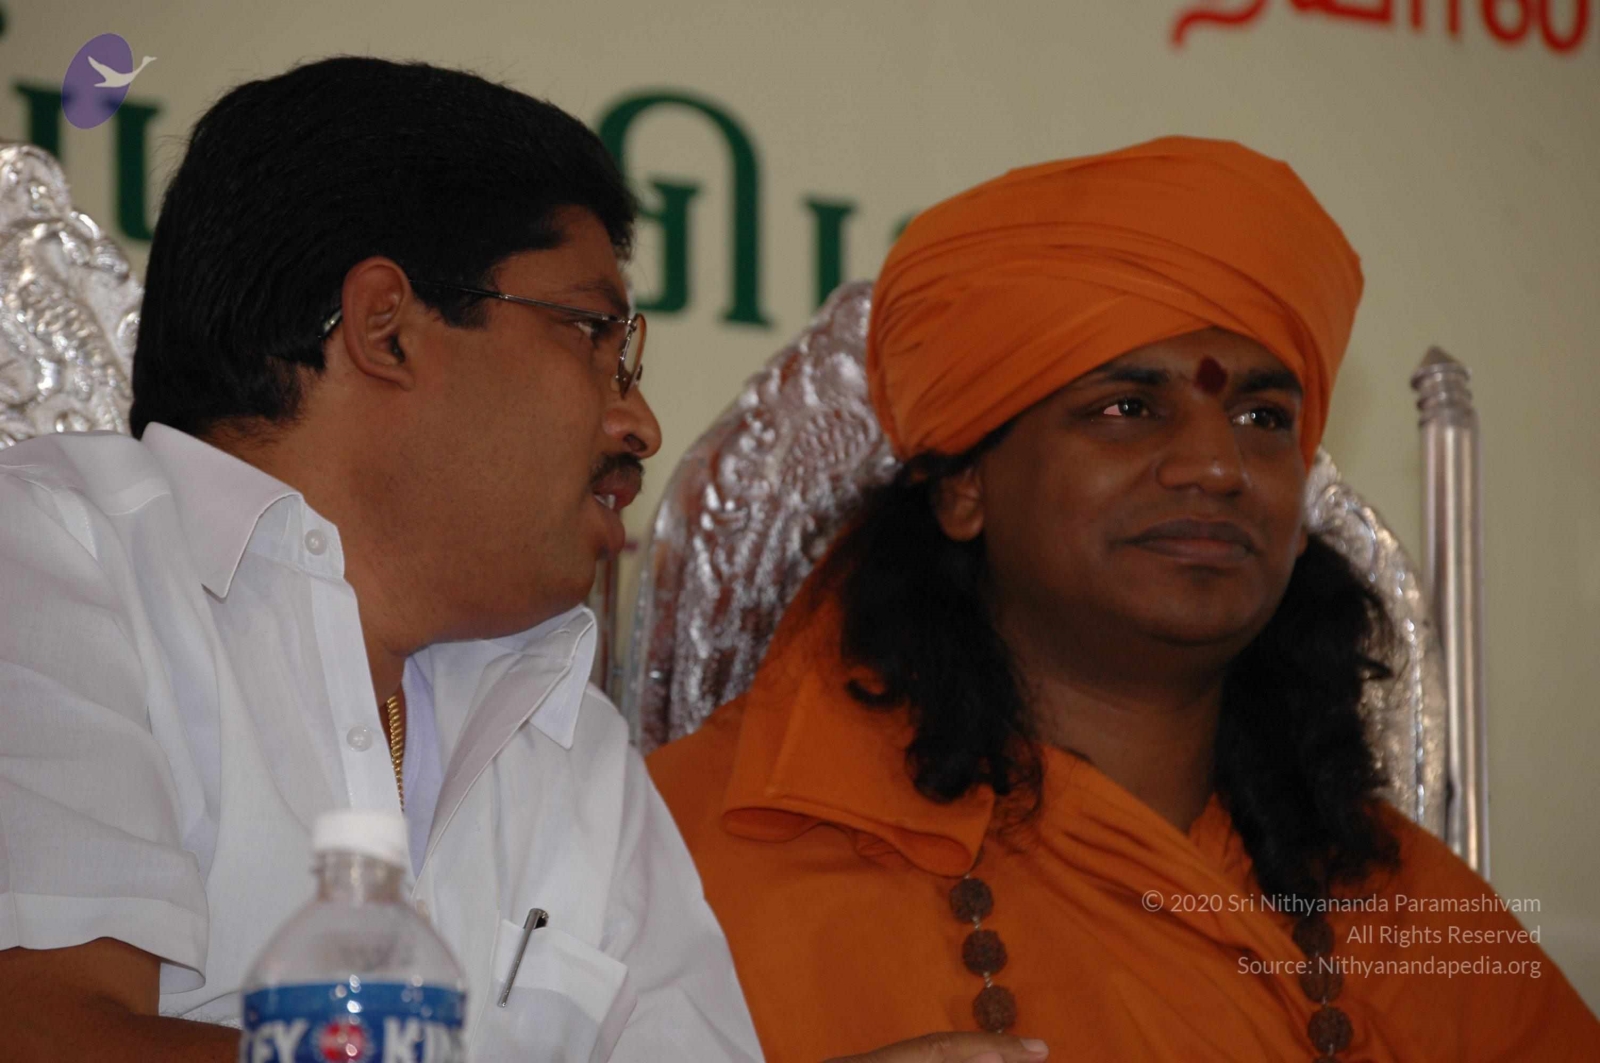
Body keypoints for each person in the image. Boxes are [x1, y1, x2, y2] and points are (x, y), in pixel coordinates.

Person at [0, 57, 1045, 1063]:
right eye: (591, 333)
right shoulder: (55, 561)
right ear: (385, 327)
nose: (638, 423)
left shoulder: (561, 727)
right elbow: (45, 1036)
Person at [650, 137, 1600, 1061]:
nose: (1218, 465)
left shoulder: (1413, 913)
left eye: (1263, 417)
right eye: (1127, 408)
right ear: (965, 484)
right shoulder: (692, 852)